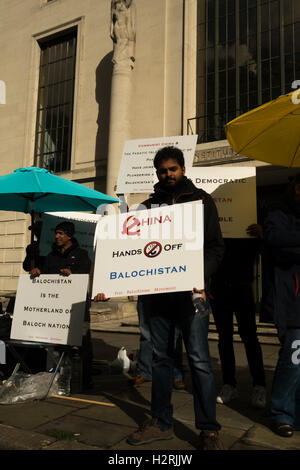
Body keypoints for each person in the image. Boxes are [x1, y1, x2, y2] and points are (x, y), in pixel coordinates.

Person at [94, 146, 225, 449]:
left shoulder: (202, 201)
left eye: (172, 169)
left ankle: (208, 430)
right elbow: (127, 251)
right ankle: (162, 422)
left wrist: (199, 277)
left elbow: (217, 247)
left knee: (199, 361)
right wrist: (108, 282)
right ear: (156, 173)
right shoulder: (147, 208)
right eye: (162, 171)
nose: (168, 175)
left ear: (182, 169)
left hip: (192, 296)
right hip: (158, 297)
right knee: (161, 360)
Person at [31, 221, 93, 390]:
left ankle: (84, 381)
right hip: (56, 309)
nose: (57, 236)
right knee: (58, 344)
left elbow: (85, 273)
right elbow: (44, 274)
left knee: (81, 342)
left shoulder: (82, 254)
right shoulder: (51, 256)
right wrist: (38, 271)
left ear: (69, 235)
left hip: (78, 308)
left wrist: (73, 274)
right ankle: (58, 380)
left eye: (61, 233)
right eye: (56, 233)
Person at [210, 226, 266, 408]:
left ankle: (259, 385)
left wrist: (260, 237)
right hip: (220, 285)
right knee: (224, 337)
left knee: (249, 336)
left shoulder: (247, 218)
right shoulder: (215, 221)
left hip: (242, 284)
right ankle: (229, 384)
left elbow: (261, 252)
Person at [263, 174, 300, 437]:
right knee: (293, 360)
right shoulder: (277, 213)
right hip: (292, 303)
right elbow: (276, 241)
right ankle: (281, 413)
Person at [132, 297, 186, 390]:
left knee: (175, 334)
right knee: (145, 330)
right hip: (146, 292)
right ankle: (145, 371)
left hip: (172, 291)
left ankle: (176, 375)